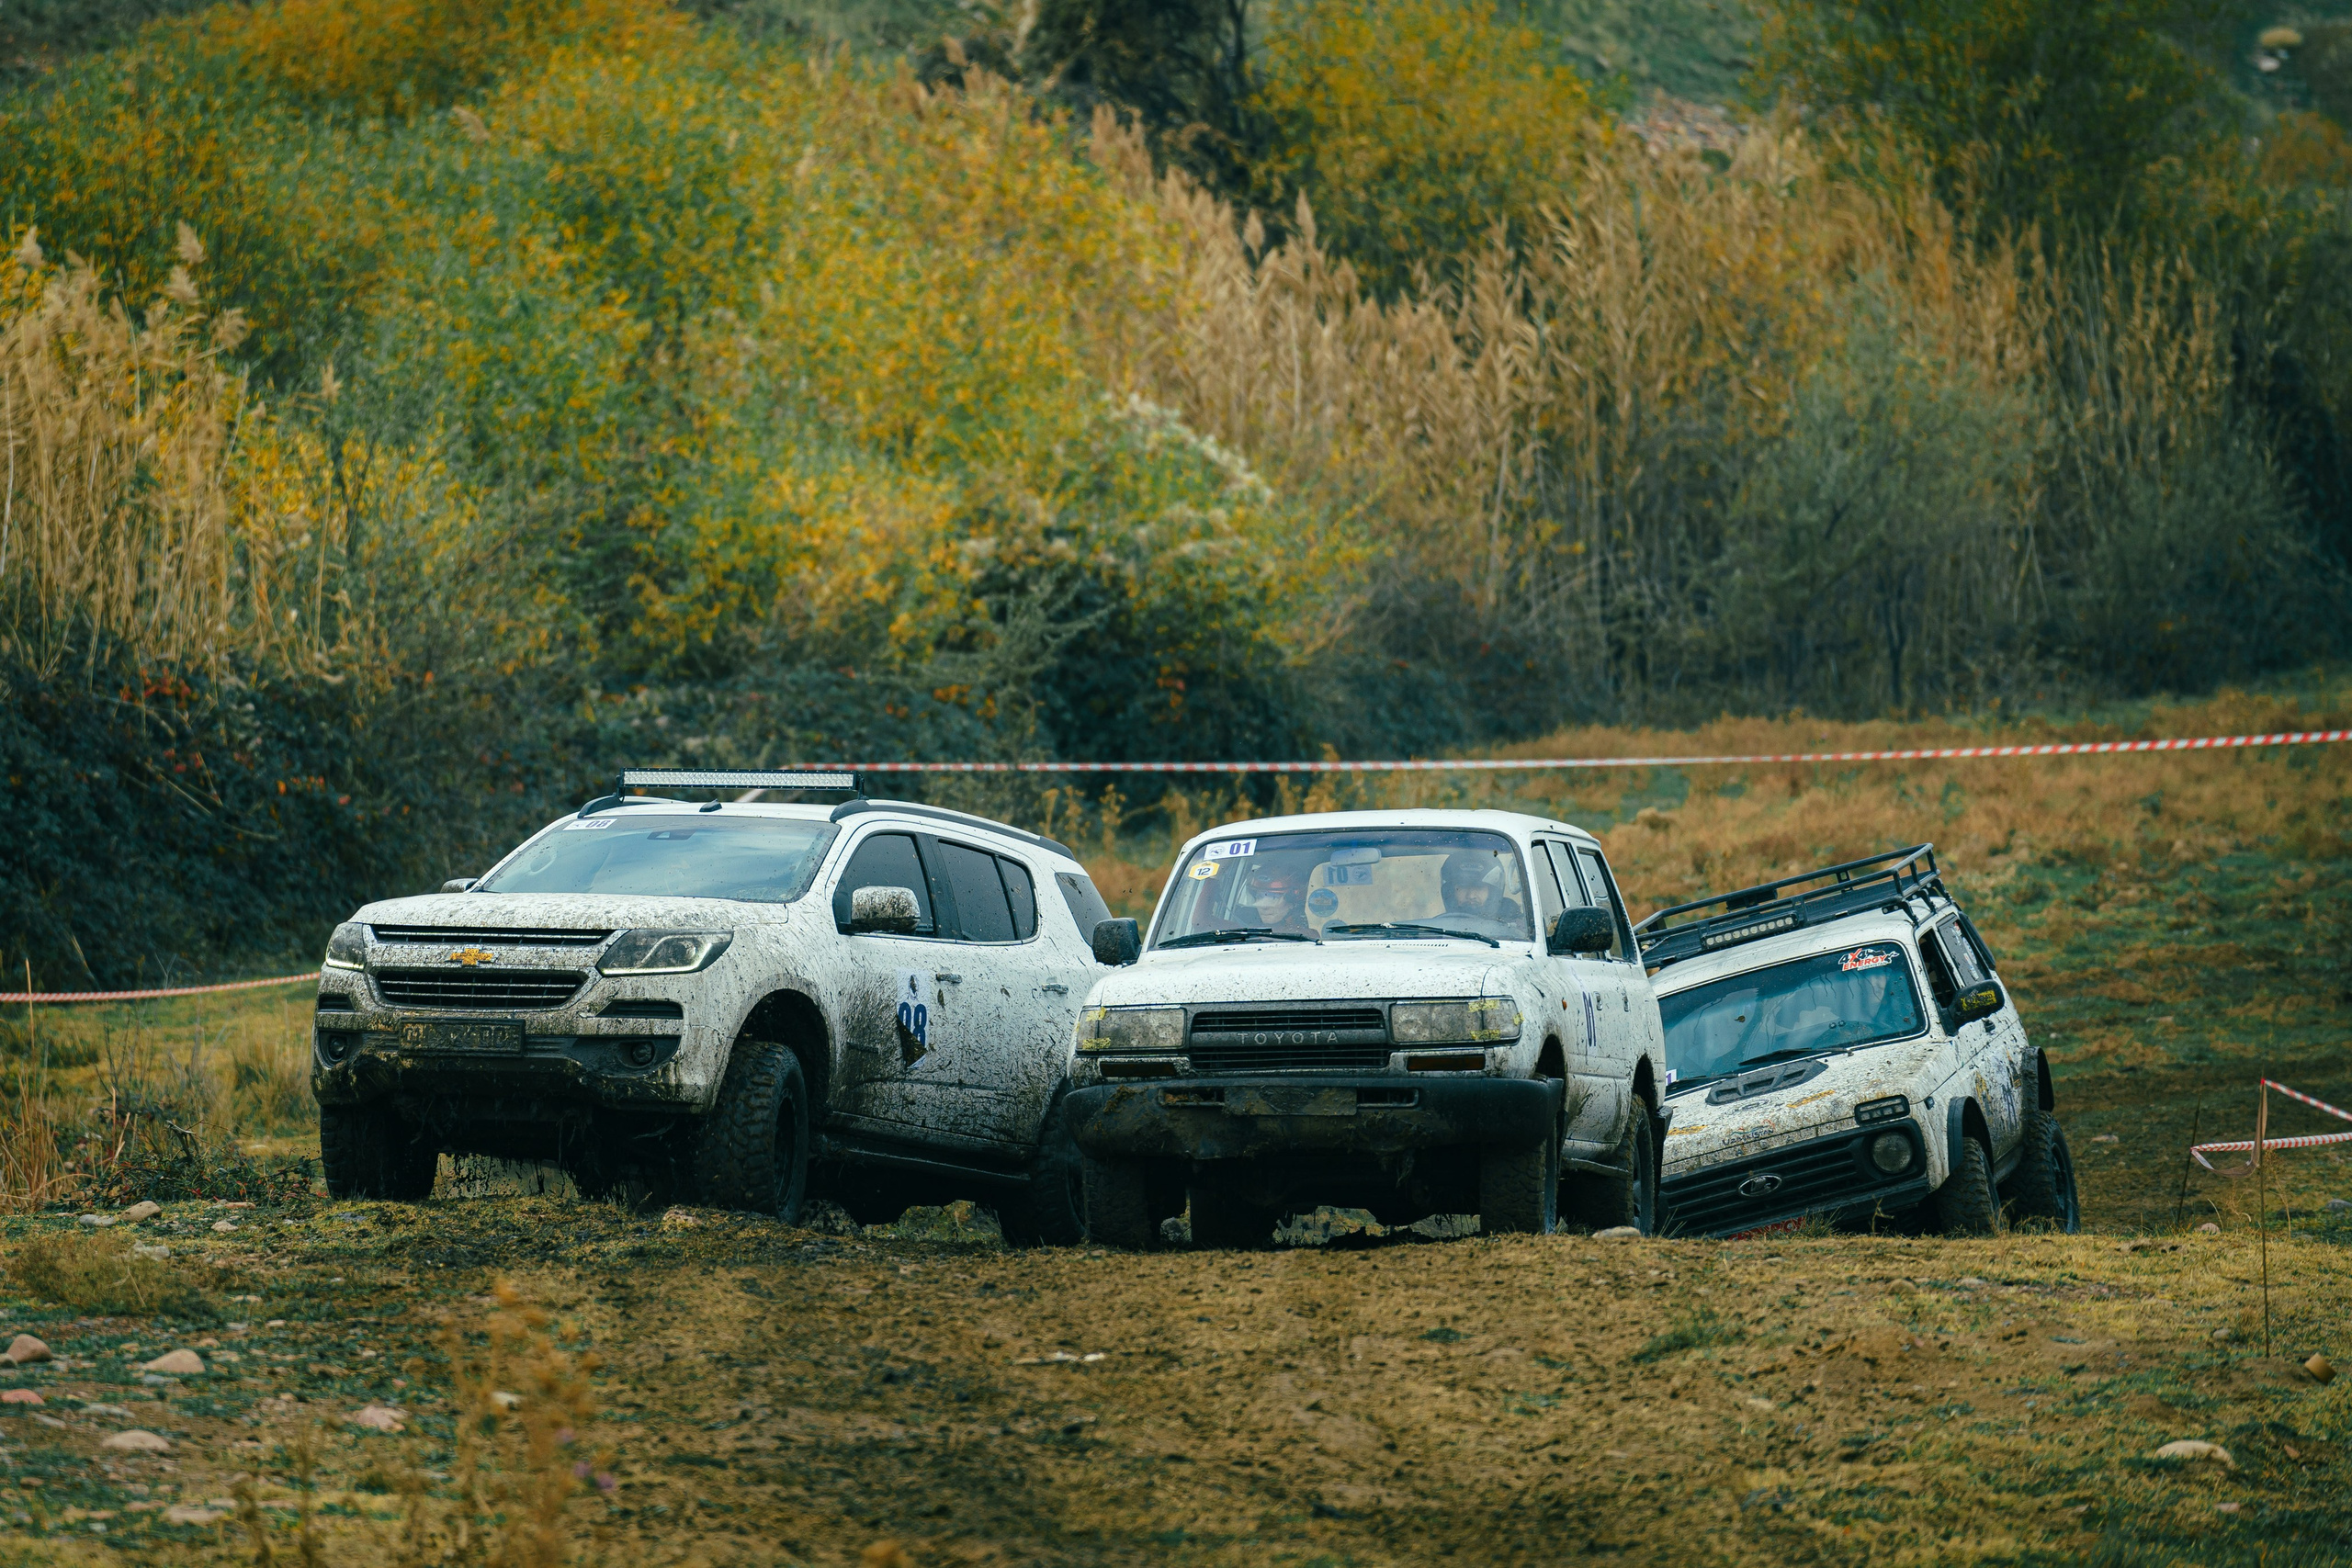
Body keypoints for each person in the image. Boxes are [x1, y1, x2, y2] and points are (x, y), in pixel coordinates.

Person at [1440, 851, 1524, 929]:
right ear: (1450, 891)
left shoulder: (1514, 929)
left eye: (1479, 888)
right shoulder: (1433, 931)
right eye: (1463, 887)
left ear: (1492, 892)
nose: (1471, 896)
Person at [1238, 863, 1312, 934]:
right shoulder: (1242, 934)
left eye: (1273, 897)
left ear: (1293, 900)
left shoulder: (1308, 939)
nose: (1262, 906)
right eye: (1259, 897)